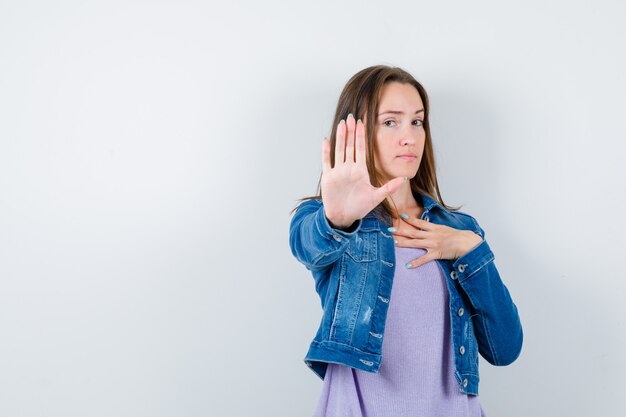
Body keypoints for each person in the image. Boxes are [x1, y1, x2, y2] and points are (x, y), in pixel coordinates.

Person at [288, 65, 523, 417]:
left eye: (417, 121)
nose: (409, 137)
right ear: (358, 132)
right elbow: (307, 245)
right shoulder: (332, 221)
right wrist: (337, 218)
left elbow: (505, 348)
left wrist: (471, 251)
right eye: (390, 122)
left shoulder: (457, 229)